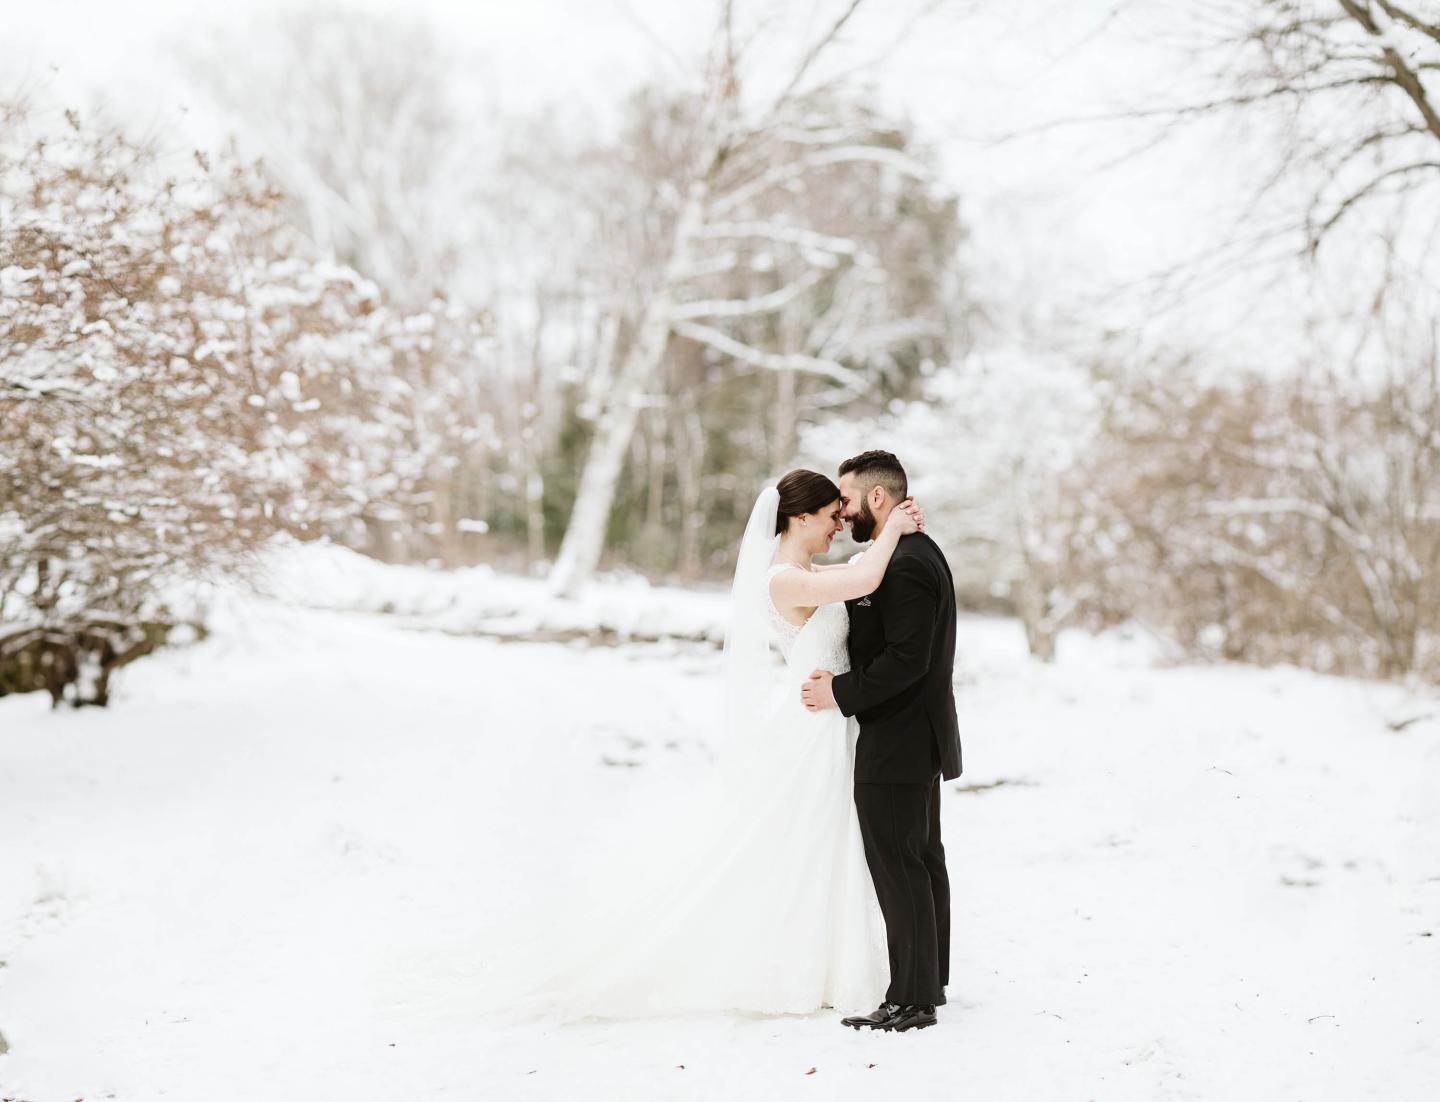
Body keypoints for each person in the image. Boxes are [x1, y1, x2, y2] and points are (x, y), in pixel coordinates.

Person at [801, 450, 962, 1033]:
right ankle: (929, 983)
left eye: (846, 500)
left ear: (876, 498)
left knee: (900, 865)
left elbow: (906, 660)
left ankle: (912, 999)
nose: (841, 512)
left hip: (899, 738)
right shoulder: (907, 552)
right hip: (912, 735)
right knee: (918, 860)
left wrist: (840, 693)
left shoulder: (908, 564)